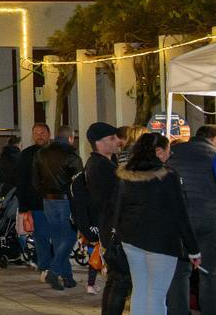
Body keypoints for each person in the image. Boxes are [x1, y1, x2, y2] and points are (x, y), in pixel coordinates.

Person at [115, 132, 201, 315]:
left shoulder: (125, 174)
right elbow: (180, 214)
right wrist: (193, 249)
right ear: (159, 152)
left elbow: (117, 208)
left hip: (130, 239)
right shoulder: (167, 176)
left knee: (139, 289)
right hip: (161, 242)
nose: (170, 155)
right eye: (169, 151)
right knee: (156, 294)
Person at [167, 124, 216, 315]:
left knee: (179, 273)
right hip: (211, 221)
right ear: (215, 138)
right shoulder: (215, 155)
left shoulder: (173, 153)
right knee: (211, 274)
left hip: (179, 221)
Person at [82, 122, 127, 308]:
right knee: (120, 279)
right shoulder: (101, 167)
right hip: (112, 226)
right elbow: (112, 200)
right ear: (99, 143)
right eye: (112, 138)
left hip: (109, 225)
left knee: (116, 279)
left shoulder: (106, 163)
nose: (118, 141)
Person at [33, 125, 83, 291]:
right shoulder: (73, 157)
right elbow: (79, 185)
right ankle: (54, 271)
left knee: (57, 238)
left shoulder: (41, 154)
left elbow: (35, 180)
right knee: (70, 237)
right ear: (70, 138)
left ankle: (67, 277)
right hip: (66, 201)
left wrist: (44, 192)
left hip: (48, 200)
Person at [15, 123, 51, 271]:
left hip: (56, 201)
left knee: (57, 236)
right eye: (36, 133)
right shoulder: (26, 155)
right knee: (41, 236)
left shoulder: (55, 152)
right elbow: (21, 180)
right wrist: (24, 206)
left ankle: (53, 264)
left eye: (42, 133)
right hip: (36, 203)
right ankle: (44, 265)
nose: (39, 136)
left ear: (49, 134)